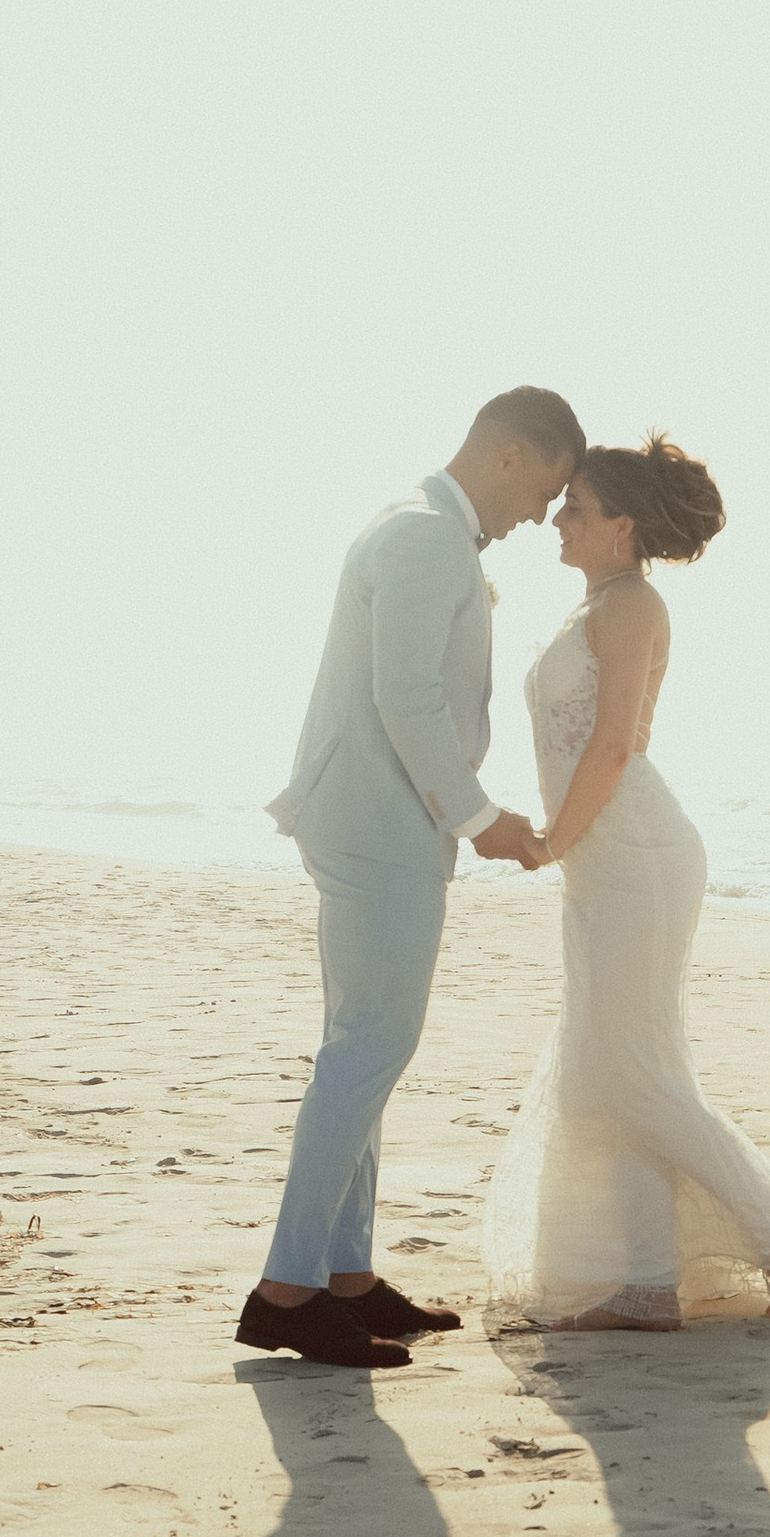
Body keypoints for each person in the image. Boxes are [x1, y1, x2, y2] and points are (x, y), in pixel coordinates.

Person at [238, 386, 584, 1372]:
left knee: (365, 1052)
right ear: (511, 454)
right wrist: (478, 818)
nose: (535, 517)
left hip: (370, 822)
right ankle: (286, 1292)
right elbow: (406, 696)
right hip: (379, 826)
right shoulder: (429, 535)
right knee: (366, 1053)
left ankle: (346, 1278)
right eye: (543, 488)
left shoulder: (418, 524)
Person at [481, 434, 770, 1333]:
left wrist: (554, 840)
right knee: (602, 1071)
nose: (558, 518)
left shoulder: (632, 606)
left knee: (629, 1072)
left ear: (622, 525)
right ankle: (638, 1283)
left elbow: (616, 744)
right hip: (605, 861)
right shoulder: (595, 603)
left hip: (638, 858)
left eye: (577, 508)